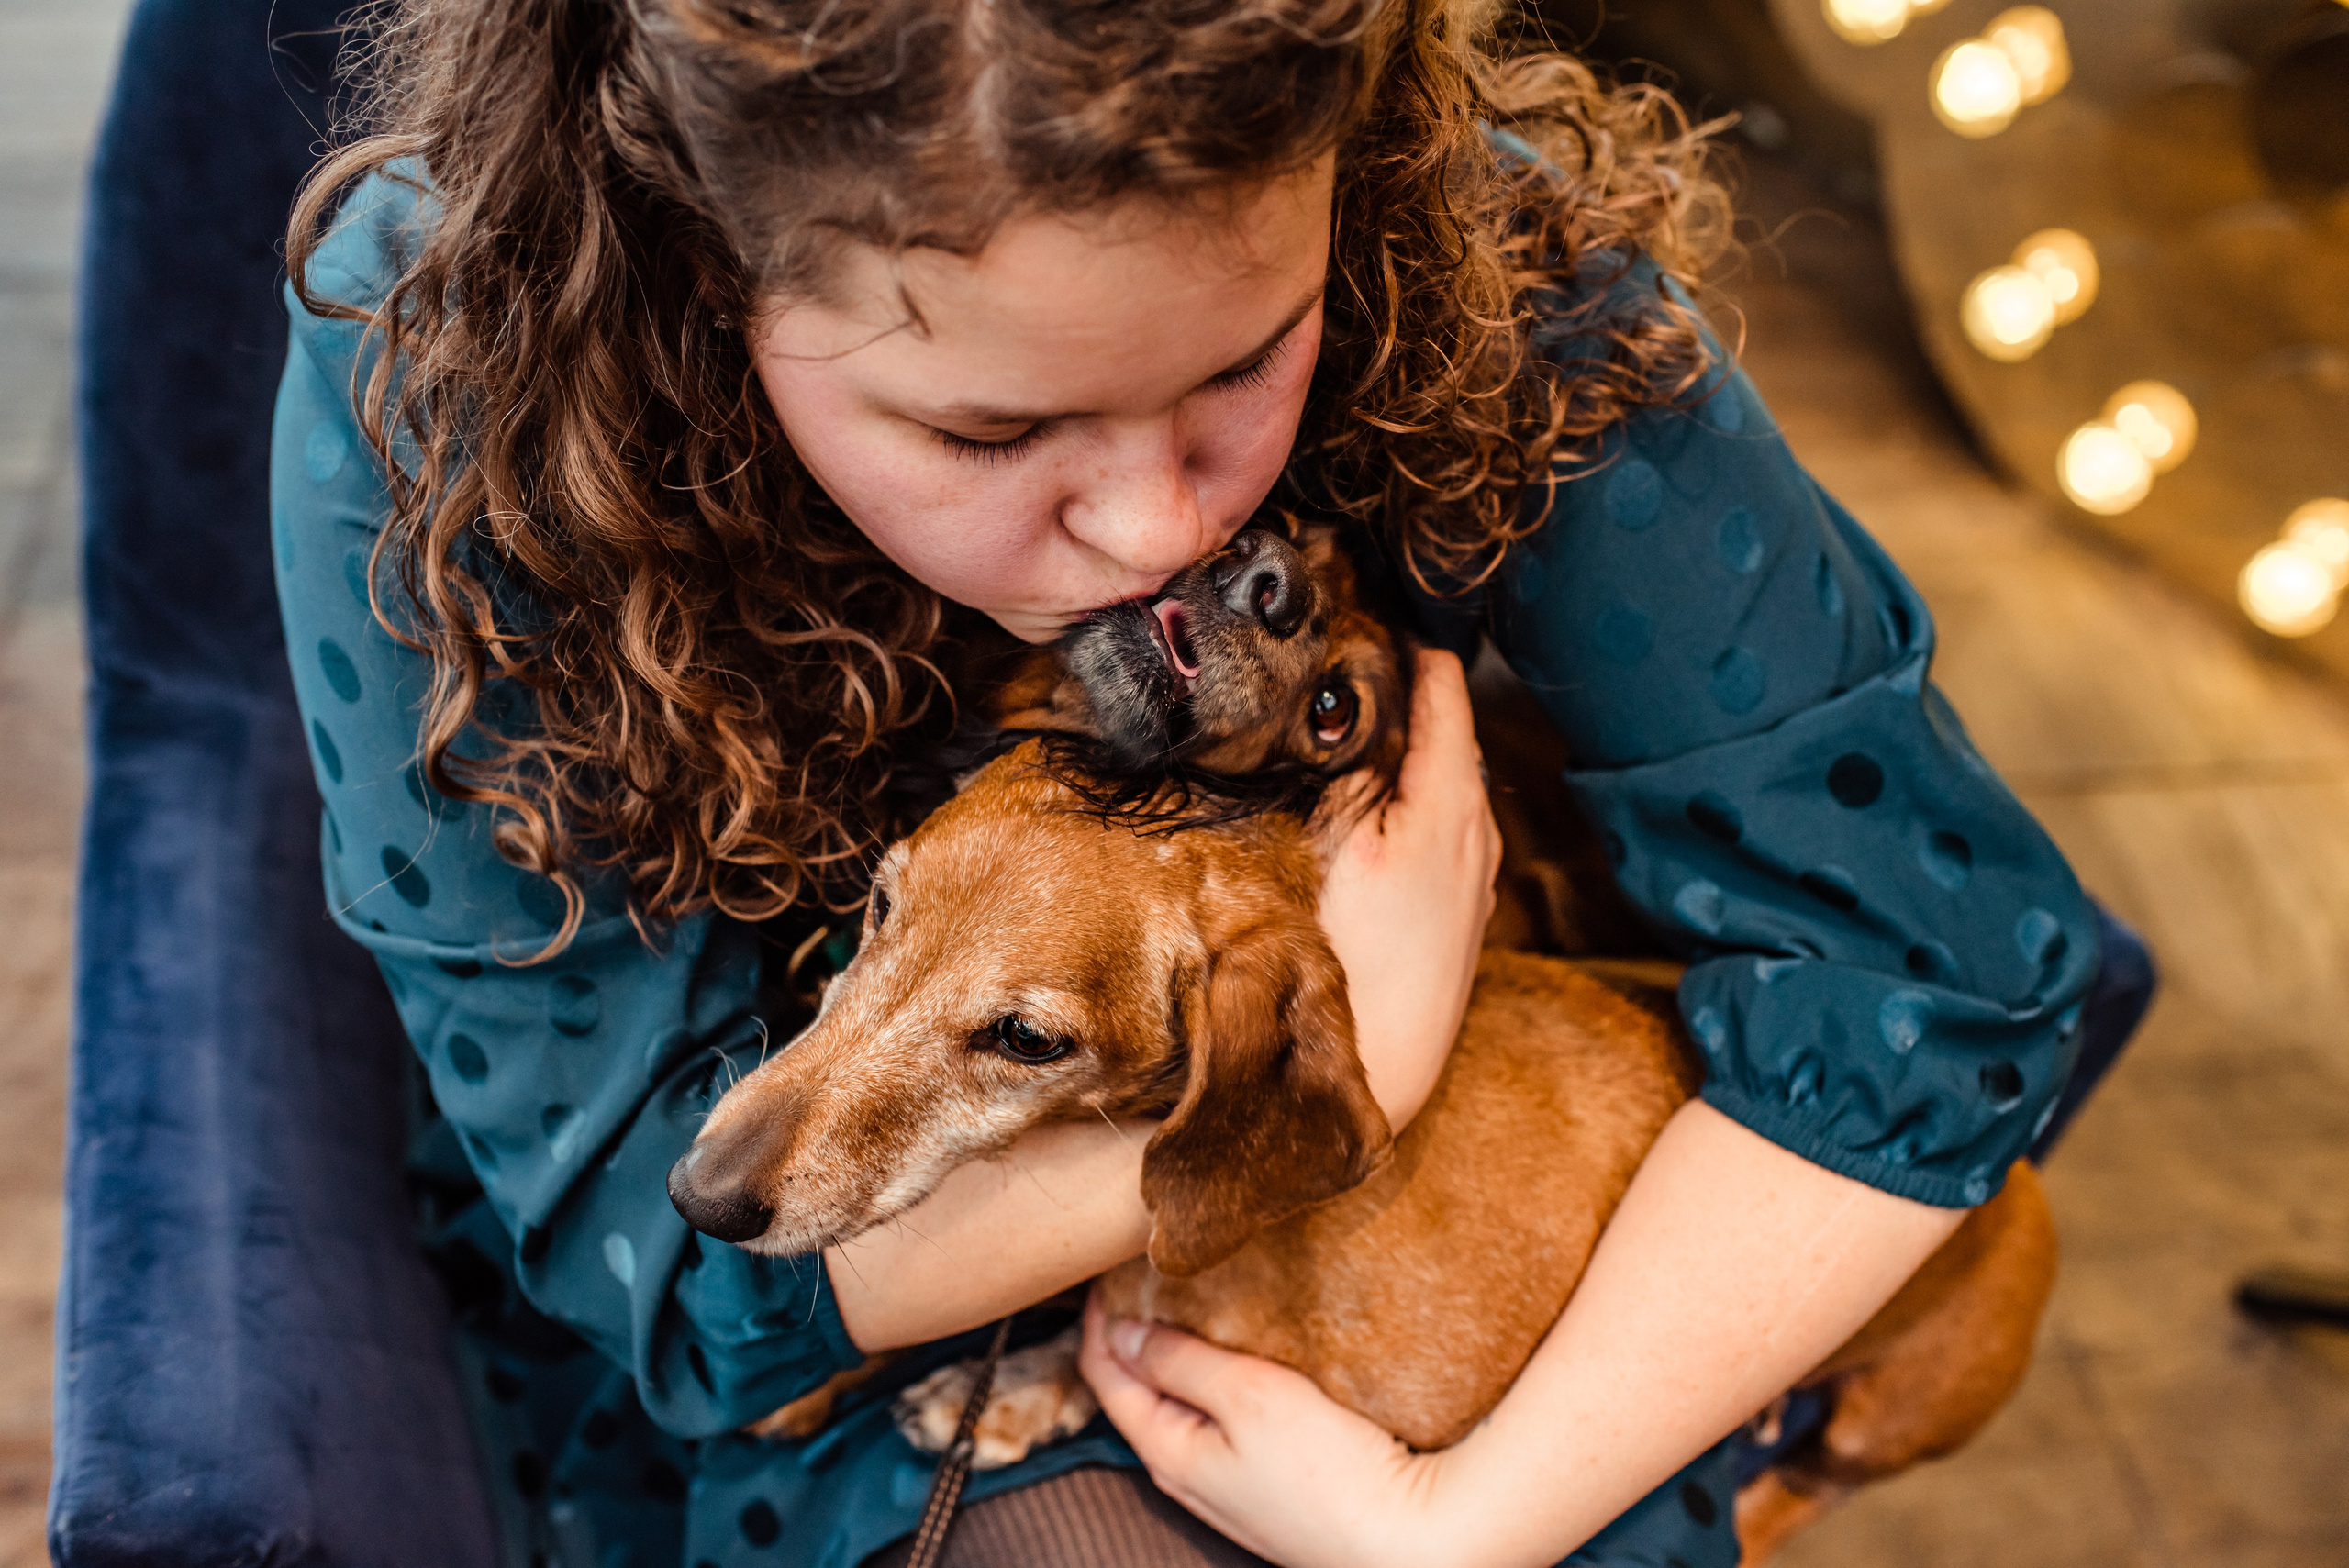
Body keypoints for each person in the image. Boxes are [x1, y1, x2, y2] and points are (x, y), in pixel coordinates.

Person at [267, 1, 2106, 1564]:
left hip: (1487, 1218)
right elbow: (656, 1256)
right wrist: (1353, 1044)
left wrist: (1456, 1527)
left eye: (1243, 362)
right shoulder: (441, 361)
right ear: (699, 264)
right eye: (984, 427)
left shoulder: (1481, 254)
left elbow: (1945, 975)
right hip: (867, 1330)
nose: (1160, 526)